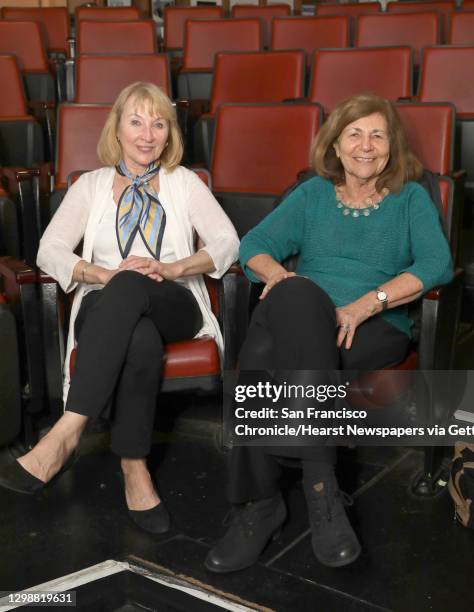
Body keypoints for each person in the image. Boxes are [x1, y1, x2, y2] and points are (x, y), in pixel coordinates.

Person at [205, 93, 453, 572]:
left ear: (391, 146)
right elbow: (255, 245)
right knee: (296, 298)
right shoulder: (314, 194)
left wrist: (365, 305)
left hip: (376, 324)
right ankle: (321, 490)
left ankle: (263, 505)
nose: (366, 145)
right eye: (354, 134)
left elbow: (437, 264)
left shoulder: (411, 198)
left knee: (262, 351)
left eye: (377, 135)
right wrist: (277, 275)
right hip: (307, 313)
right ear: (335, 145)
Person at [0, 82, 239, 535]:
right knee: (138, 336)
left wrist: (171, 268)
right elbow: (49, 250)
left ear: (169, 134)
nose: (147, 134)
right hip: (104, 302)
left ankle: (68, 430)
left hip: (174, 302)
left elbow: (227, 242)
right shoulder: (89, 186)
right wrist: (105, 275)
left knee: (139, 301)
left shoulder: (184, 183)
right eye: (136, 121)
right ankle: (135, 469)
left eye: (158, 123)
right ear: (118, 129)